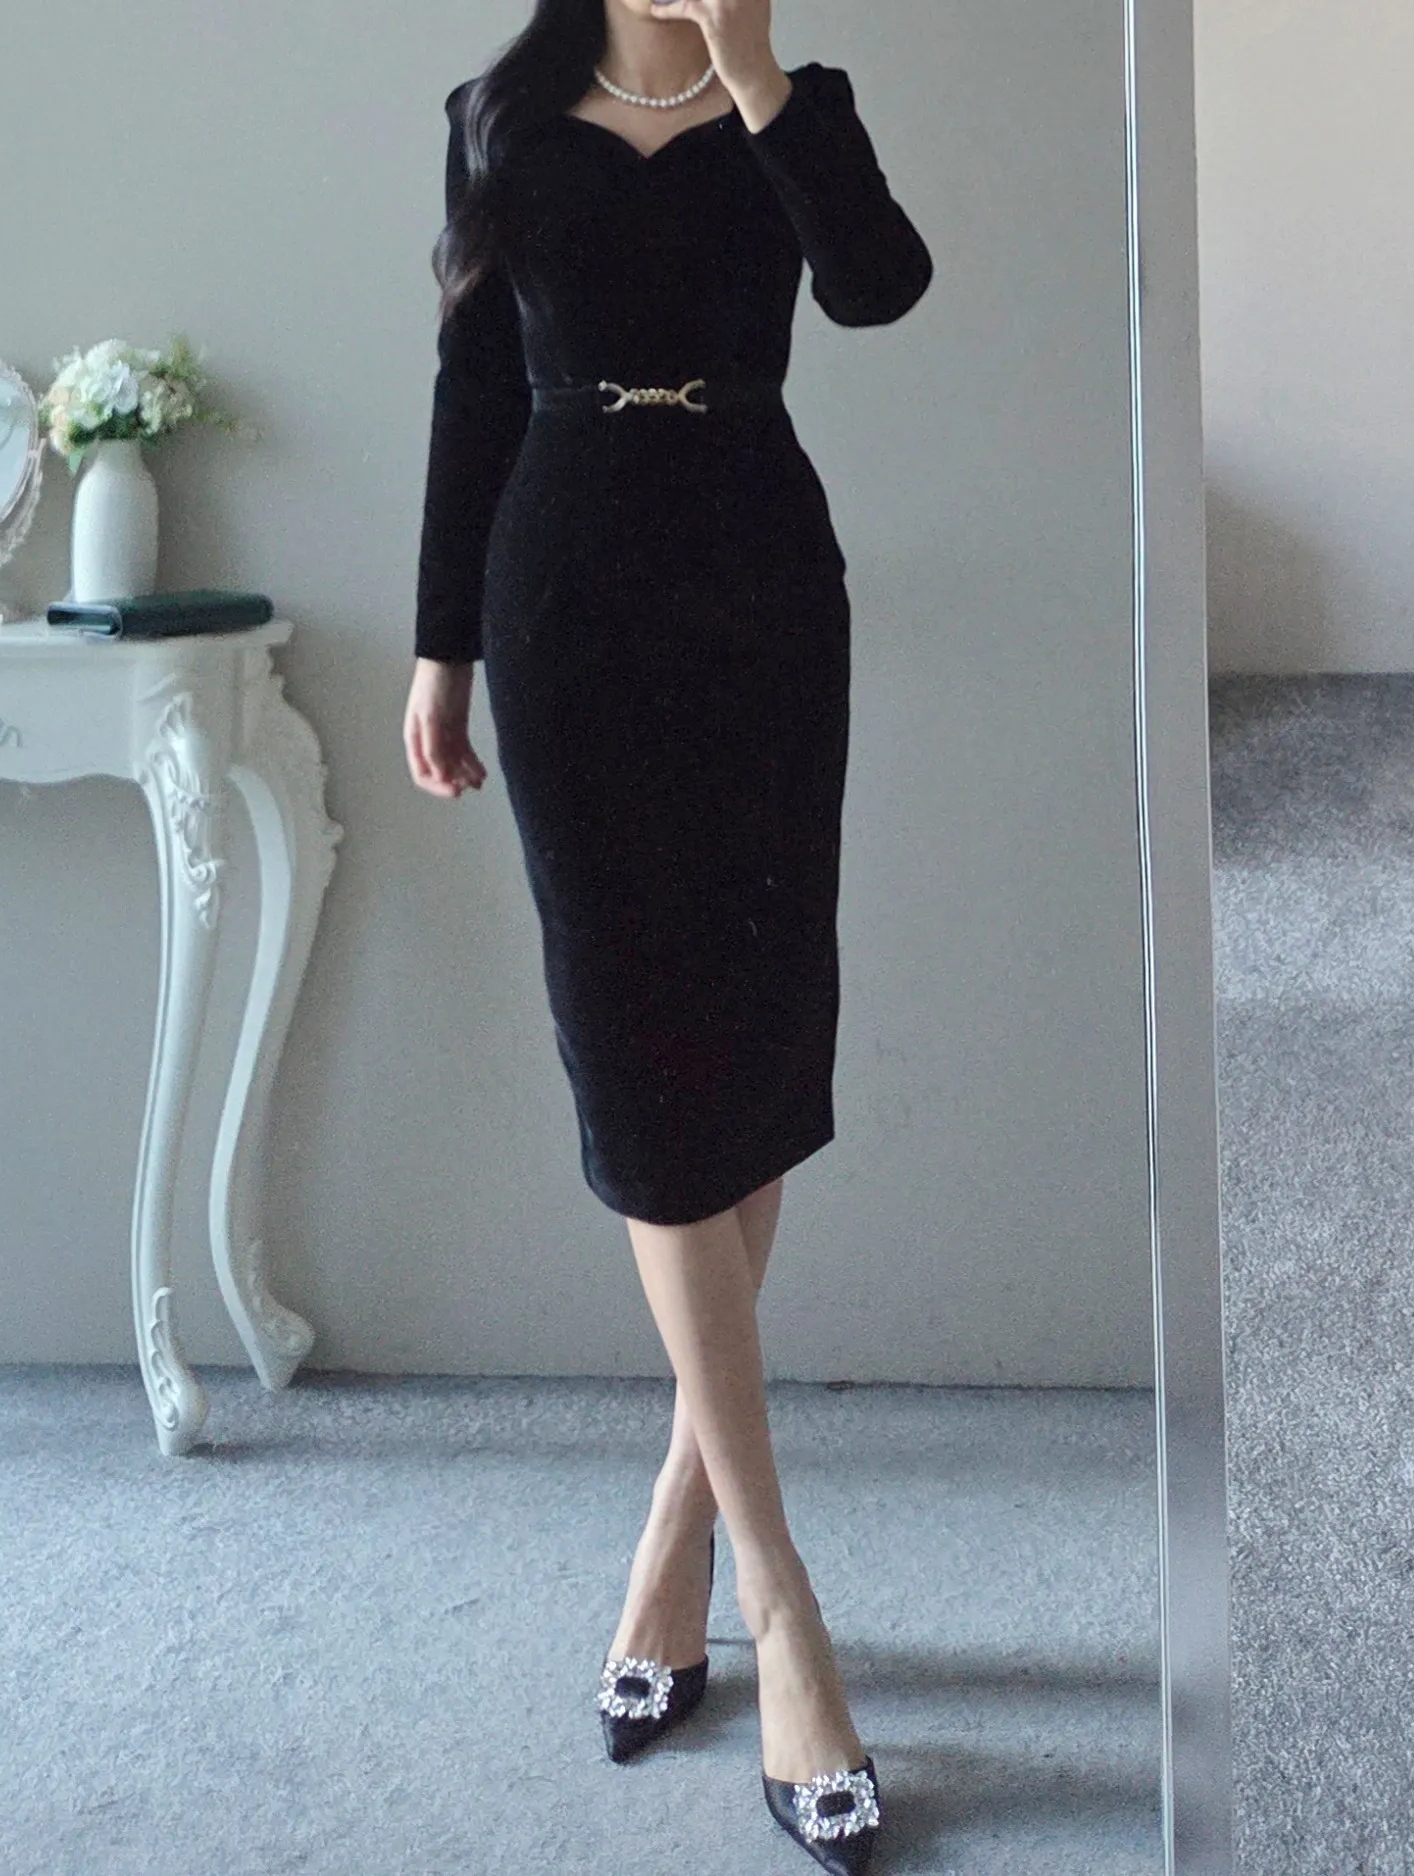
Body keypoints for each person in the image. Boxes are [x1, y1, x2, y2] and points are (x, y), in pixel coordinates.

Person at [402, 1, 931, 1867]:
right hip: (564, 601)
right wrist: (439, 649)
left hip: (761, 591)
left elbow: (878, 287)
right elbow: (472, 388)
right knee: (641, 1076)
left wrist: (759, 73)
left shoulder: (795, 103)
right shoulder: (498, 111)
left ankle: (676, 1526)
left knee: (753, 1053)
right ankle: (781, 1600)